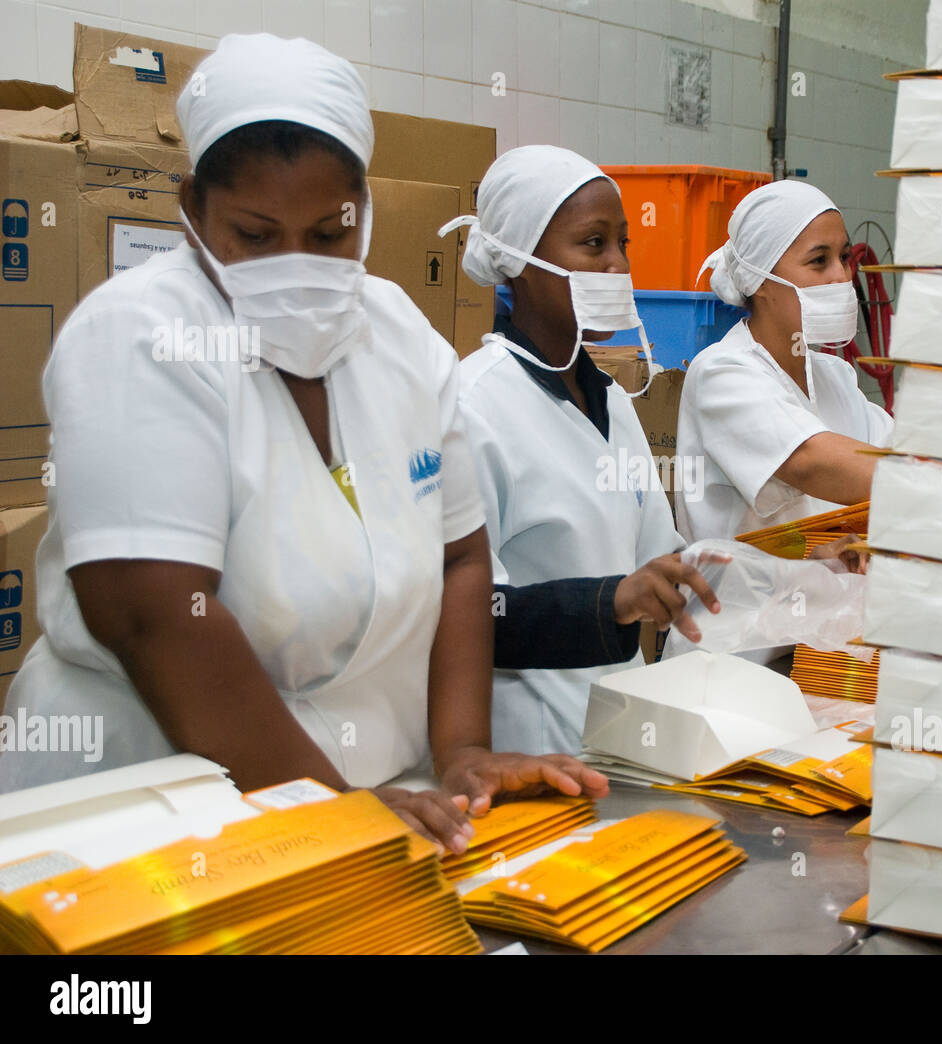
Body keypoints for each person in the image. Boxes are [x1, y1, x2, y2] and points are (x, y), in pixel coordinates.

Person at [0, 35, 606, 851]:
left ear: (364, 206)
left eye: (327, 234)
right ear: (191, 209)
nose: (295, 264)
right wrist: (326, 806)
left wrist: (461, 750)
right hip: (152, 813)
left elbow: (459, 558)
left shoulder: (399, 336)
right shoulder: (138, 335)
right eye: (254, 234)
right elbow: (152, 612)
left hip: (367, 804)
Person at [441, 145, 723, 756]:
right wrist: (607, 602)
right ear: (518, 261)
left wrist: (797, 566)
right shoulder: (473, 406)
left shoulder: (612, 403)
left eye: (624, 243)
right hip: (525, 753)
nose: (618, 264)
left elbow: (665, 565)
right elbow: (460, 617)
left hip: (614, 743)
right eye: (593, 244)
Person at [676, 180, 894, 550]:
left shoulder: (834, 376)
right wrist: (941, 487)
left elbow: (892, 456)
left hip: (830, 599)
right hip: (743, 605)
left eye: (843, 258)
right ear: (760, 279)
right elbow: (810, 461)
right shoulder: (720, 374)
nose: (842, 277)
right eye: (818, 261)